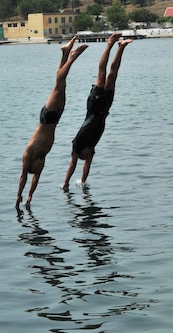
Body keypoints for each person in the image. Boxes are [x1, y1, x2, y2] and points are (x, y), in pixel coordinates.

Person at [16, 36, 88, 209]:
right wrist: (30, 196)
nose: (42, 166)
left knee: (58, 85)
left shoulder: (28, 155)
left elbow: (24, 178)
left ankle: (72, 57)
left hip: (46, 117)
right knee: (61, 85)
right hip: (55, 119)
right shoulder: (40, 160)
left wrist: (19, 195)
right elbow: (35, 179)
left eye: (38, 167)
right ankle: (65, 52)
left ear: (32, 164)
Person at [61, 33, 132, 189]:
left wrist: (66, 183)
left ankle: (109, 44)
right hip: (105, 107)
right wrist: (82, 181)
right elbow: (87, 168)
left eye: (86, 157)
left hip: (94, 105)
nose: (88, 158)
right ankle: (121, 47)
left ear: (80, 154)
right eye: (88, 158)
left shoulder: (77, 144)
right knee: (113, 75)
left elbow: (72, 166)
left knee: (102, 73)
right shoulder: (92, 148)